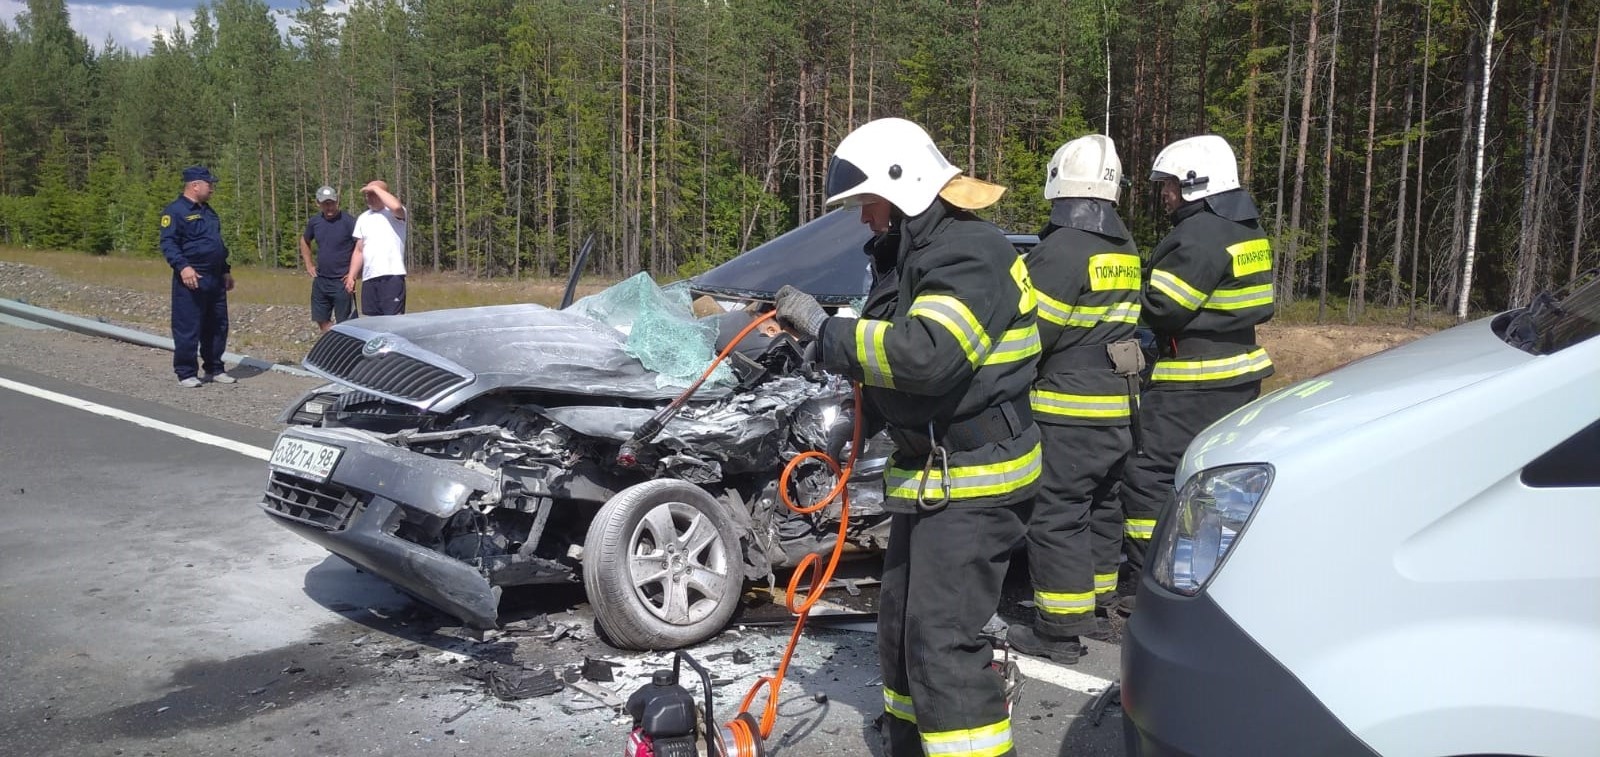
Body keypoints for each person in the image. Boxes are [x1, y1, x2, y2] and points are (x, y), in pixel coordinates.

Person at [774, 117, 1041, 757]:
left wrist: (825, 332)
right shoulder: (918, 254)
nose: (865, 220)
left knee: (944, 641)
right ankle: (909, 742)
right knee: (898, 628)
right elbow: (895, 357)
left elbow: (926, 356)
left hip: (978, 476)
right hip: (931, 475)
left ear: (905, 189)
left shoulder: (972, 254)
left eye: (868, 204)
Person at [1118, 134, 1275, 613]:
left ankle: (1148, 581)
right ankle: (1218, 573)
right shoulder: (1247, 232)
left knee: (1150, 475)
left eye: (1167, 185)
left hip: (1193, 379)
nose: (1163, 194)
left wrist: (1129, 296)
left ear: (1193, 184)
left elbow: (1165, 307)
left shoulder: (1196, 235)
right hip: (1239, 373)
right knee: (1218, 479)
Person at [1006, 135, 1143, 661]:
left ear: (1059, 182)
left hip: (1068, 408)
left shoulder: (1061, 250)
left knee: (1058, 512)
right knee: (1103, 502)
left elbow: (1032, 335)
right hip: (1118, 403)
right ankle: (1099, 603)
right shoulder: (1123, 247)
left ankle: (1058, 632)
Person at [159, 166, 235, 388]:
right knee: (188, 325)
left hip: (215, 277)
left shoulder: (209, 212)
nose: (212, 189)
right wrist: (183, 267)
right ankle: (186, 372)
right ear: (195, 185)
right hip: (191, 276)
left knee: (218, 325)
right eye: (208, 184)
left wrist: (225, 270)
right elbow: (168, 243)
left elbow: (217, 244)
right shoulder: (175, 211)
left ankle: (214, 367)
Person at [299, 185, 358, 331]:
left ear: (337, 201)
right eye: (325, 203)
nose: (329, 207)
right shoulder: (315, 222)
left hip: (342, 281)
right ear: (318, 203)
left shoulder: (349, 221)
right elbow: (305, 240)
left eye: (331, 202)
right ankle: (333, 345)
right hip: (321, 279)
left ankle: (346, 350)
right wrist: (308, 264)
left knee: (347, 323)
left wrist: (353, 274)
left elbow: (361, 248)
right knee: (321, 318)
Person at [347, 180, 407, 316]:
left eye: (372, 194)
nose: (369, 198)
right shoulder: (363, 218)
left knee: (393, 320)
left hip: (391, 275)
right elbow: (359, 250)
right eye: (367, 194)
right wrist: (352, 275)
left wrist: (375, 188)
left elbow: (396, 206)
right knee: (372, 320)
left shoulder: (395, 213)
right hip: (369, 277)